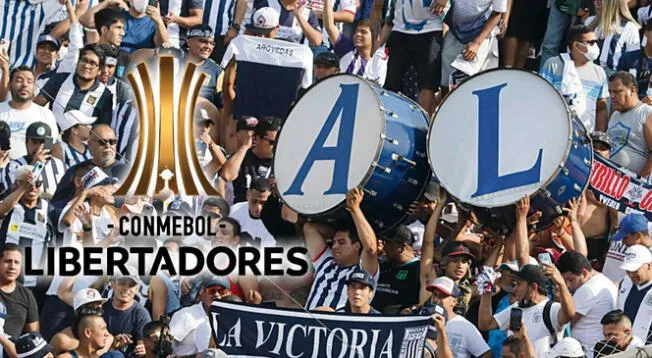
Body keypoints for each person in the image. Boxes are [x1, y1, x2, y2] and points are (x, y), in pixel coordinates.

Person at [303, 188, 379, 310]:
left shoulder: (364, 270)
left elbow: (370, 248)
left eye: (341, 242)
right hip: (308, 326)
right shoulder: (325, 262)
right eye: (333, 242)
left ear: (356, 246)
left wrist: (355, 209)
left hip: (340, 327)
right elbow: (310, 228)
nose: (334, 246)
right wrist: (338, 232)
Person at [479, 264, 576, 355]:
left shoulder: (551, 309)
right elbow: (486, 324)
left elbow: (570, 314)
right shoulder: (516, 308)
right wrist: (486, 291)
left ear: (533, 287)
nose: (514, 289)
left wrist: (561, 284)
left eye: (518, 284)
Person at [377, 0, 443, 115]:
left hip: (429, 29)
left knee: (428, 84)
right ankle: (388, 121)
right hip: (399, 30)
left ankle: (425, 126)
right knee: (391, 83)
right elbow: (388, 19)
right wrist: (376, 47)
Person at [540, 25, 609, 132]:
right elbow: (541, 97)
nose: (594, 46)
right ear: (576, 45)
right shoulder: (553, 65)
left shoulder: (599, 73)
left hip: (584, 138)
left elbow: (601, 108)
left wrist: (599, 137)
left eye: (595, 42)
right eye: (590, 42)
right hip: (554, 131)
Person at [0, 165, 50, 301]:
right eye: (29, 184)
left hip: (34, 283)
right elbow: (1, 210)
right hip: (4, 279)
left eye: (37, 183)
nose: (33, 188)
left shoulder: (48, 208)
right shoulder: (11, 204)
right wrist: (23, 189)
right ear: (17, 184)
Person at [34, 44, 114, 126]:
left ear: (100, 70)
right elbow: (35, 107)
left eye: (92, 63)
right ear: (77, 62)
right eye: (84, 60)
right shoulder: (59, 79)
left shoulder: (105, 96)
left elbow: (103, 129)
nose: (86, 66)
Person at [51, 124, 129, 207]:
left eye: (113, 142)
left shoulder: (129, 172)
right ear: (90, 144)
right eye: (102, 142)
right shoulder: (76, 171)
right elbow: (56, 205)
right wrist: (82, 195)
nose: (108, 146)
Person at [556, 250, 617, 353]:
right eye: (564, 281)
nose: (568, 285)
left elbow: (562, 322)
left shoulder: (587, 289)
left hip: (588, 350)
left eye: (570, 279)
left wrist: (561, 296)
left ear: (584, 273)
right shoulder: (603, 280)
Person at [439, 0, 505, 90]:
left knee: (471, 85)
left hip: (481, 34)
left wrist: (477, 43)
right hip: (454, 31)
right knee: (446, 83)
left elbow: (497, 12)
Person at [0, 66, 60, 161]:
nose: (24, 85)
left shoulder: (45, 114)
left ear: (34, 87)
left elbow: (51, 146)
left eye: (29, 81)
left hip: (33, 170)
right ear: (10, 85)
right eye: (19, 80)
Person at [322, 0, 387, 85]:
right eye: (356, 31)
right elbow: (329, 26)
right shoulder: (347, 49)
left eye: (363, 32)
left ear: (374, 37)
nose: (358, 34)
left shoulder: (378, 62)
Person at [427, 276, 492, 357]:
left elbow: (487, 354)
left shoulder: (464, 326)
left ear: (454, 301)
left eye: (442, 296)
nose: (436, 299)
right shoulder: (422, 319)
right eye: (434, 294)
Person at [221, 118, 279, 203]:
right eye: (272, 142)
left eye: (278, 141)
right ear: (257, 138)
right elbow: (227, 175)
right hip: (242, 210)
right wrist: (245, 146)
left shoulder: (281, 162)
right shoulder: (242, 156)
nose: (276, 146)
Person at [606, 71, 652, 178]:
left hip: (631, 187)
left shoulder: (646, 112)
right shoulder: (615, 114)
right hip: (607, 179)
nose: (612, 96)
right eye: (610, 92)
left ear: (632, 90)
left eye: (617, 92)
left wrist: (641, 181)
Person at [168, 277, 231, 355]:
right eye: (212, 290)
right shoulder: (185, 315)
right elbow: (167, 344)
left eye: (222, 292)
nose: (217, 295)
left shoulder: (231, 319)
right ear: (202, 291)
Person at [1, 121, 66, 196]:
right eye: (34, 142)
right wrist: (34, 166)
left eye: (43, 142)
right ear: (26, 143)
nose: (39, 147)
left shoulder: (61, 166)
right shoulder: (13, 166)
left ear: (50, 144)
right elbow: (9, 196)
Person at [371, 225, 421, 314]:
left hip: (397, 323)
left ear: (402, 247)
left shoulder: (418, 269)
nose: (383, 247)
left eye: (387, 243)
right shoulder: (381, 264)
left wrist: (412, 309)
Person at [102, 271, 151, 357]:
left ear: (136, 289)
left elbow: (143, 345)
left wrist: (143, 349)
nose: (126, 288)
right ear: (113, 284)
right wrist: (112, 345)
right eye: (122, 283)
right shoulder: (102, 308)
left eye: (131, 285)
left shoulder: (141, 314)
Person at [589, 0, 640, 73]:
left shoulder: (630, 27)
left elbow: (632, 60)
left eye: (600, 0)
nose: (596, 3)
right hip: (590, 70)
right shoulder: (590, 22)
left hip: (614, 75)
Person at [0, 244, 39, 338]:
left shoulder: (26, 294)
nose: (12, 266)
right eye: (7, 261)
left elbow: (34, 335)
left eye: (16, 262)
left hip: (13, 351)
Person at [616, 244, 652, 344]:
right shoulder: (626, 282)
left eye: (635, 270)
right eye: (628, 270)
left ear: (648, 265)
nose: (631, 274)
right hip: (626, 347)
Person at [228, 177, 275, 248]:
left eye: (263, 203)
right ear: (248, 194)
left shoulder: (275, 222)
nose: (258, 207)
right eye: (254, 201)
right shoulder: (234, 211)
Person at [185, 24, 223, 105]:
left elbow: (222, 107)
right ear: (189, 42)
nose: (208, 46)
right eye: (203, 41)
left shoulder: (217, 72)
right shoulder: (173, 62)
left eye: (211, 43)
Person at [618, 19, 652, 101]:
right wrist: (639, 101)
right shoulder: (628, 58)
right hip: (630, 108)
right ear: (646, 33)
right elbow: (619, 90)